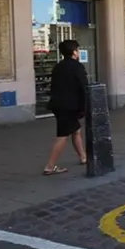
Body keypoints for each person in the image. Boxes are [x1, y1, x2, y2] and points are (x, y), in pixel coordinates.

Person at [43, 39, 88, 175]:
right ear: (74, 52)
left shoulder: (58, 66)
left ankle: (83, 157)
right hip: (69, 106)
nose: (78, 52)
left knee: (76, 130)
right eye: (78, 50)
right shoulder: (77, 67)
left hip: (58, 104)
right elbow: (83, 87)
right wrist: (85, 106)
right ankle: (50, 166)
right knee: (62, 135)